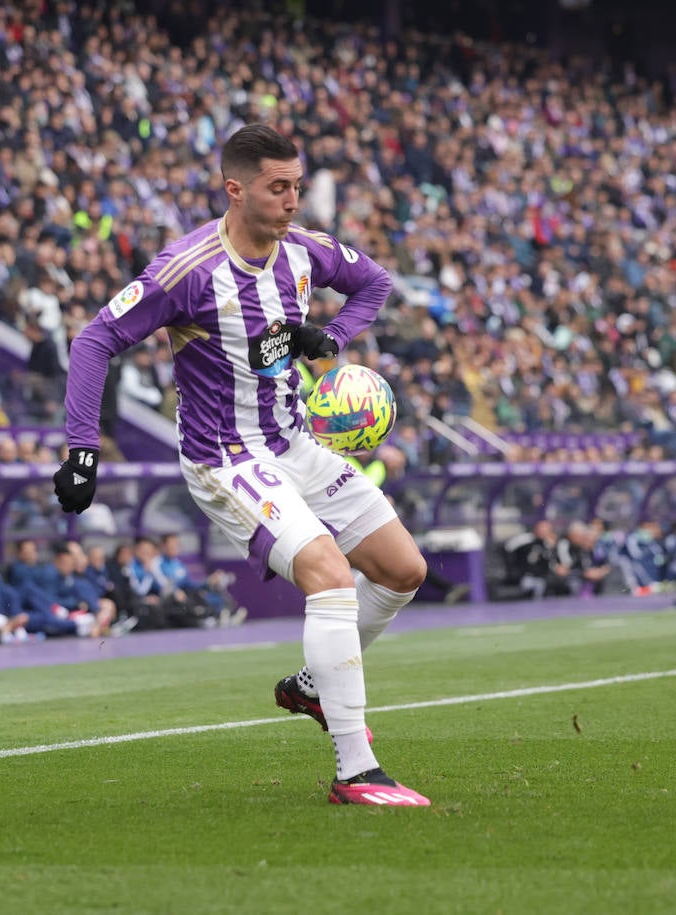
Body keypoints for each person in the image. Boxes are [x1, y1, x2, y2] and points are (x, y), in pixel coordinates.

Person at [52, 123, 430, 806]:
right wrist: (82, 447)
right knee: (330, 574)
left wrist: (330, 336)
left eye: (296, 185)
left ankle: (313, 686)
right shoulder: (186, 269)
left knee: (405, 569)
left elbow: (375, 282)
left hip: (295, 444)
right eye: (277, 187)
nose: (292, 201)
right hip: (225, 455)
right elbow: (95, 338)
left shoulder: (304, 251)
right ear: (236, 189)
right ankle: (356, 769)